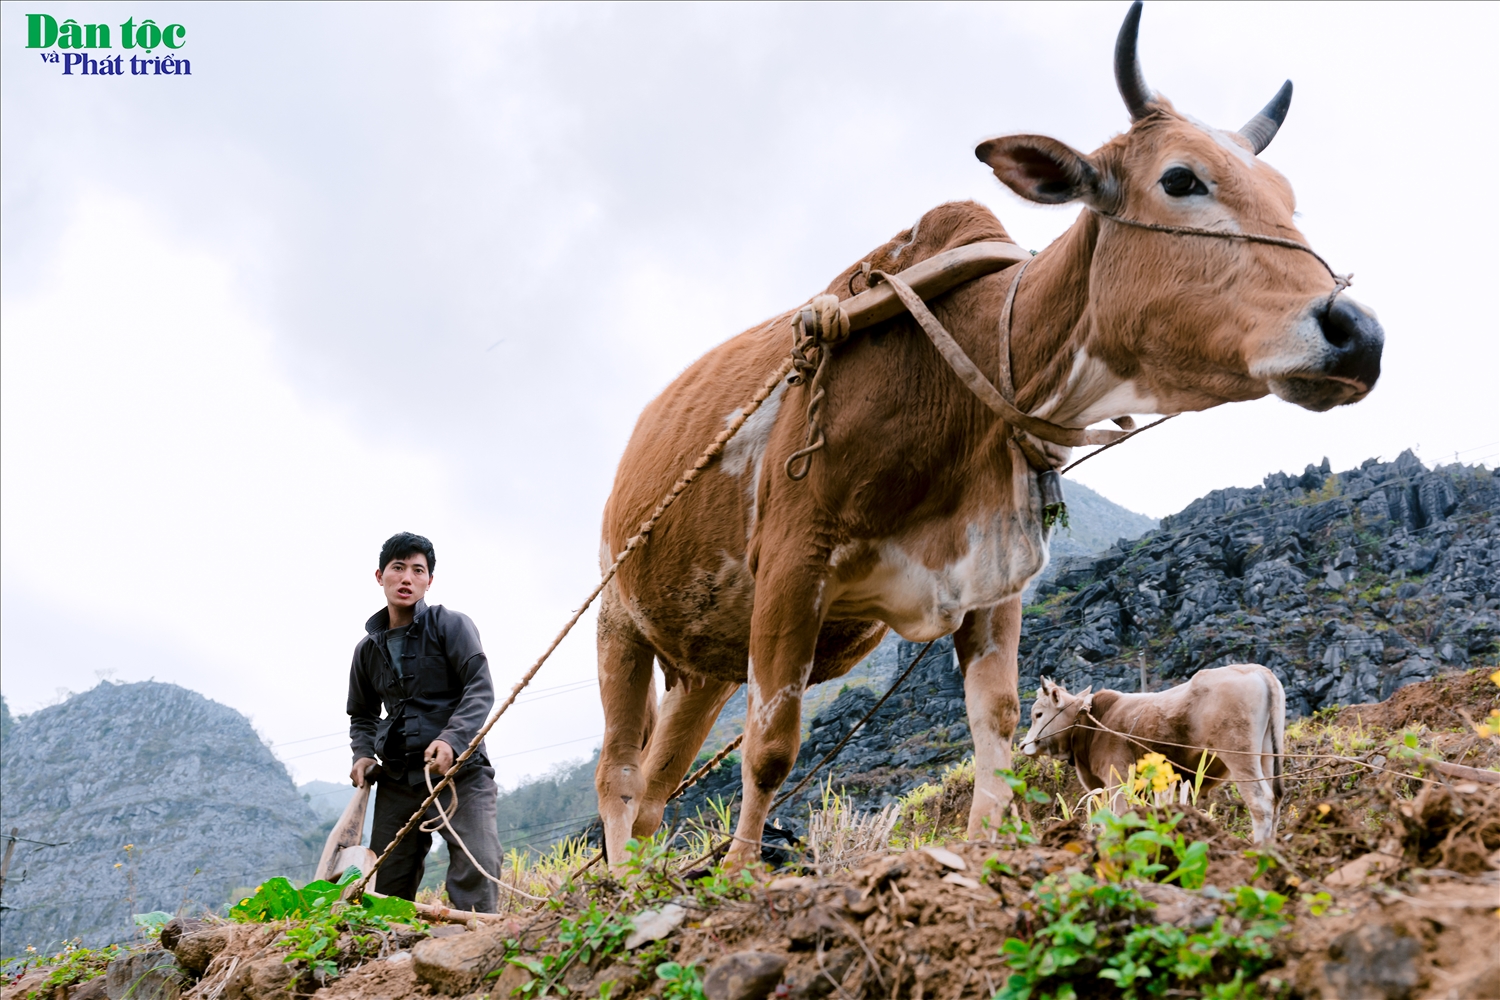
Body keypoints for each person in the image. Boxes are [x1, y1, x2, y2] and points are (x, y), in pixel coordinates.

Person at [347, 532, 501, 911]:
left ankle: (475, 952)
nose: (407, 578)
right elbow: (362, 714)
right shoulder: (367, 651)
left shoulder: (451, 625)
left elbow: (479, 689)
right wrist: (364, 754)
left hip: (460, 773)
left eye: (418, 570)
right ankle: (387, 963)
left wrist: (451, 740)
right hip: (398, 779)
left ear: (429, 581)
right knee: (383, 886)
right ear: (380, 575)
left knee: (479, 864)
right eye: (398, 568)